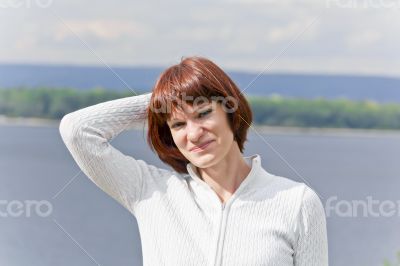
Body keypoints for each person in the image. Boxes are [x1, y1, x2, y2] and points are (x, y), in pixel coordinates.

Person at [59, 56, 328, 266]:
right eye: (178, 124)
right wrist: (163, 100)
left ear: (231, 111)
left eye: (203, 113)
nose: (194, 134)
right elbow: (77, 130)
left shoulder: (297, 202)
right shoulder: (150, 192)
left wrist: (181, 98)